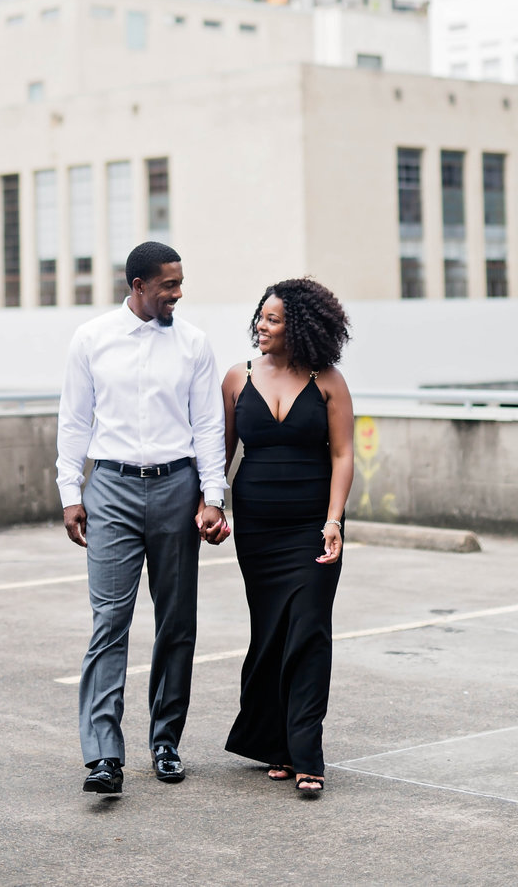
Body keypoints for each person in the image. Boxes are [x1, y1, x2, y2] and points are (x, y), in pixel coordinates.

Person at [57, 240, 230, 796]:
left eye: (180, 283)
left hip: (178, 488)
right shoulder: (91, 340)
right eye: (168, 285)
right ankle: (103, 755)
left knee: (177, 622)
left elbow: (208, 427)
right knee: (110, 622)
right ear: (138, 286)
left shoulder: (194, 344)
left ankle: (166, 741)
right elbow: (74, 420)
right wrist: (70, 492)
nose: (178, 294)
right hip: (110, 487)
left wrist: (213, 498)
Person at [221, 278, 353, 797]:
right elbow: (221, 452)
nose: (261, 325)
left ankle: (306, 753)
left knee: (310, 630)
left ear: (297, 327)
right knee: (271, 630)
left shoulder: (328, 381)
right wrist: (211, 504)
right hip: (257, 527)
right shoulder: (238, 377)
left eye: (272, 319)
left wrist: (334, 519)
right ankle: (274, 743)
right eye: (261, 316)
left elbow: (343, 455)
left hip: (312, 526)